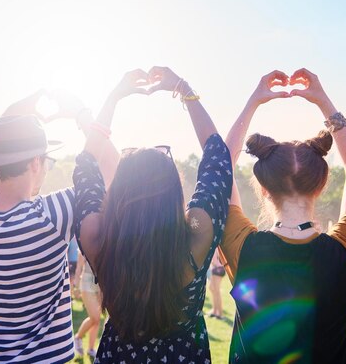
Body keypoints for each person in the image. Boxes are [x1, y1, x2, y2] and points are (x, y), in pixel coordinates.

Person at [73, 67, 232, 362]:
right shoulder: (198, 233)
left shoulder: (96, 236)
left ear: (119, 192)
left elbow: (85, 162)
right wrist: (185, 91)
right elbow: (217, 156)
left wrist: (114, 97)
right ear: (173, 190)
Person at [219, 69, 346, 363]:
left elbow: (221, 167)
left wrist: (253, 102)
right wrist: (323, 101)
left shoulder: (243, 246)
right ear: (321, 186)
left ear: (263, 190)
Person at [0, 91, 92, 363]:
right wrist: (83, 115)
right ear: (36, 162)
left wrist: (9, 113)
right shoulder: (51, 217)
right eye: (47, 161)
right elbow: (108, 175)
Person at [73, 249, 102, 359]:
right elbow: (78, 269)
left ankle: (90, 349)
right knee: (94, 317)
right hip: (86, 284)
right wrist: (75, 286)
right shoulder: (85, 247)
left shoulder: (104, 244)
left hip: (100, 285)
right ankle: (78, 337)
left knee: (97, 319)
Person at [207, 252, 226, 320]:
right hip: (216, 269)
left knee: (216, 291)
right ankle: (215, 311)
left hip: (217, 269)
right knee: (212, 288)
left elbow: (214, 261)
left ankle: (220, 314)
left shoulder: (215, 247)